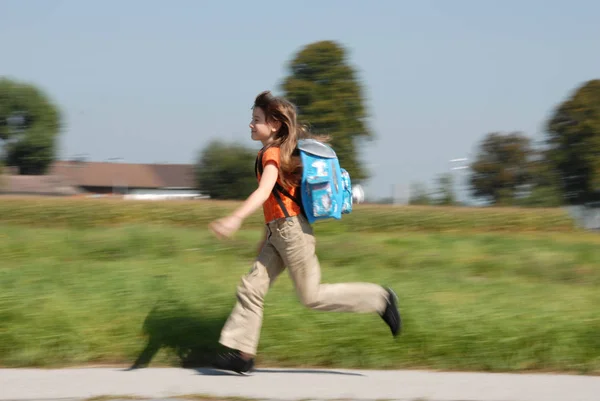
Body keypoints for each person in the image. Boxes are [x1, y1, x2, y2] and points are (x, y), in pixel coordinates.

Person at [208, 90, 401, 374]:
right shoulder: (273, 152)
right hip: (280, 233)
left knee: (311, 297)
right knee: (251, 287)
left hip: (293, 234)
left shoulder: (271, 154)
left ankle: (381, 299)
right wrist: (265, 239)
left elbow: (264, 191)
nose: (251, 124)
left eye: (256, 119)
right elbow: (276, 202)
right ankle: (244, 355)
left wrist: (235, 218)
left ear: (274, 124)